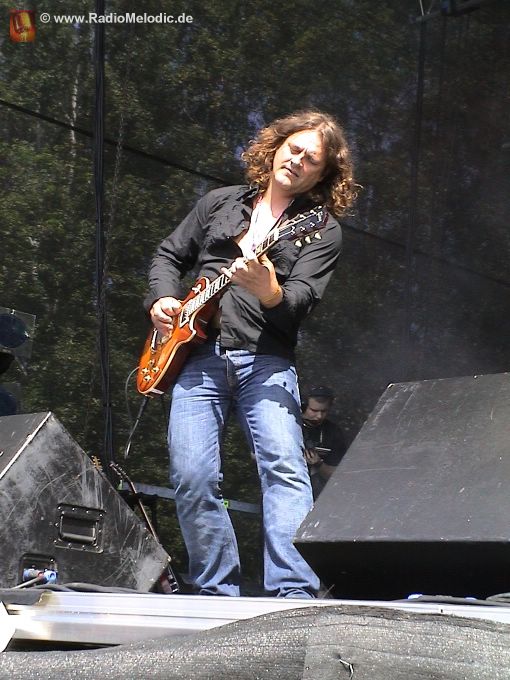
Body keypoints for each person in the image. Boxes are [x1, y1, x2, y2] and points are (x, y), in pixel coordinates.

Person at [144, 110, 356, 598]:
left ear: (322, 176)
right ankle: (216, 591)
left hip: (266, 362)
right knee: (192, 477)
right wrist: (161, 299)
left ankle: (293, 592)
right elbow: (168, 255)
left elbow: (300, 301)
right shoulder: (220, 202)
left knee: (284, 469)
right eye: (294, 149)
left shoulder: (320, 229)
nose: (298, 161)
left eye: (312, 160)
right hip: (196, 359)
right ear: (276, 147)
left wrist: (269, 291)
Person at [302, 386, 347, 499]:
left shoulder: (333, 432)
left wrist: (319, 464)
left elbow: (340, 476)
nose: (319, 416)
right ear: (303, 406)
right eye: (314, 411)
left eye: (324, 411)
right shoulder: (287, 426)